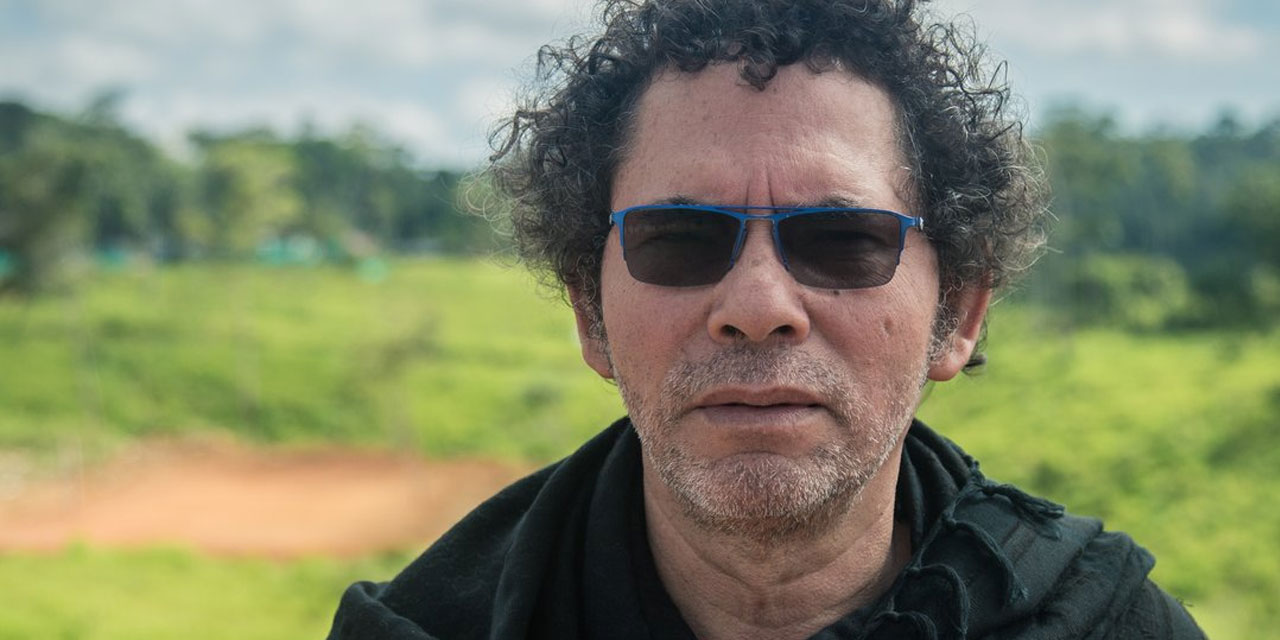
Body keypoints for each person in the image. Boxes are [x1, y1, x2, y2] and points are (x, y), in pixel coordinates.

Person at [328, 0, 1206, 638]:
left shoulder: (1106, 624)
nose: (757, 308)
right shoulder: (433, 624)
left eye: (843, 241)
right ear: (590, 314)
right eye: (678, 239)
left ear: (960, 314)